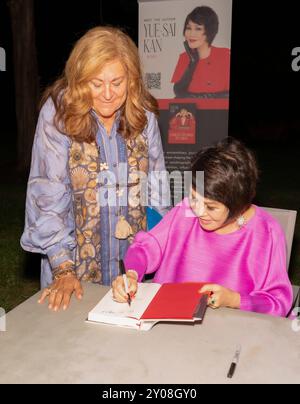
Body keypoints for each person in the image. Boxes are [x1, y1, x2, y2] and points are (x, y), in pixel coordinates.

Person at [21, 26, 170, 311]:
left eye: (117, 82)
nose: (107, 94)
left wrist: (153, 254)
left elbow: (158, 192)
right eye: (96, 83)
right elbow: (47, 196)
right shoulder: (58, 115)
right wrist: (63, 270)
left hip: (134, 267)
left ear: (132, 80)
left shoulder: (144, 115)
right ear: (79, 80)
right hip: (72, 266)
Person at [112, 138, 293, 318]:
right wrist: (132, 274)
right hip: (169, 320)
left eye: (211, 207)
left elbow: (278, 302)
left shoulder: (266, 232)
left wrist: (235, 300)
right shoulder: (186, 212)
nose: (198, 211)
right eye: (193, 198)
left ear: (239, 204)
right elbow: (146, 248)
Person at [171, 6, 230, 99]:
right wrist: (192, 63)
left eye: (198, 29)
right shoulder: (184, 57)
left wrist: (203, 98)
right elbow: (178, 91)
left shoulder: (225, 55)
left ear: (209, 32)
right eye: (188, 28)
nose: (191, 34)